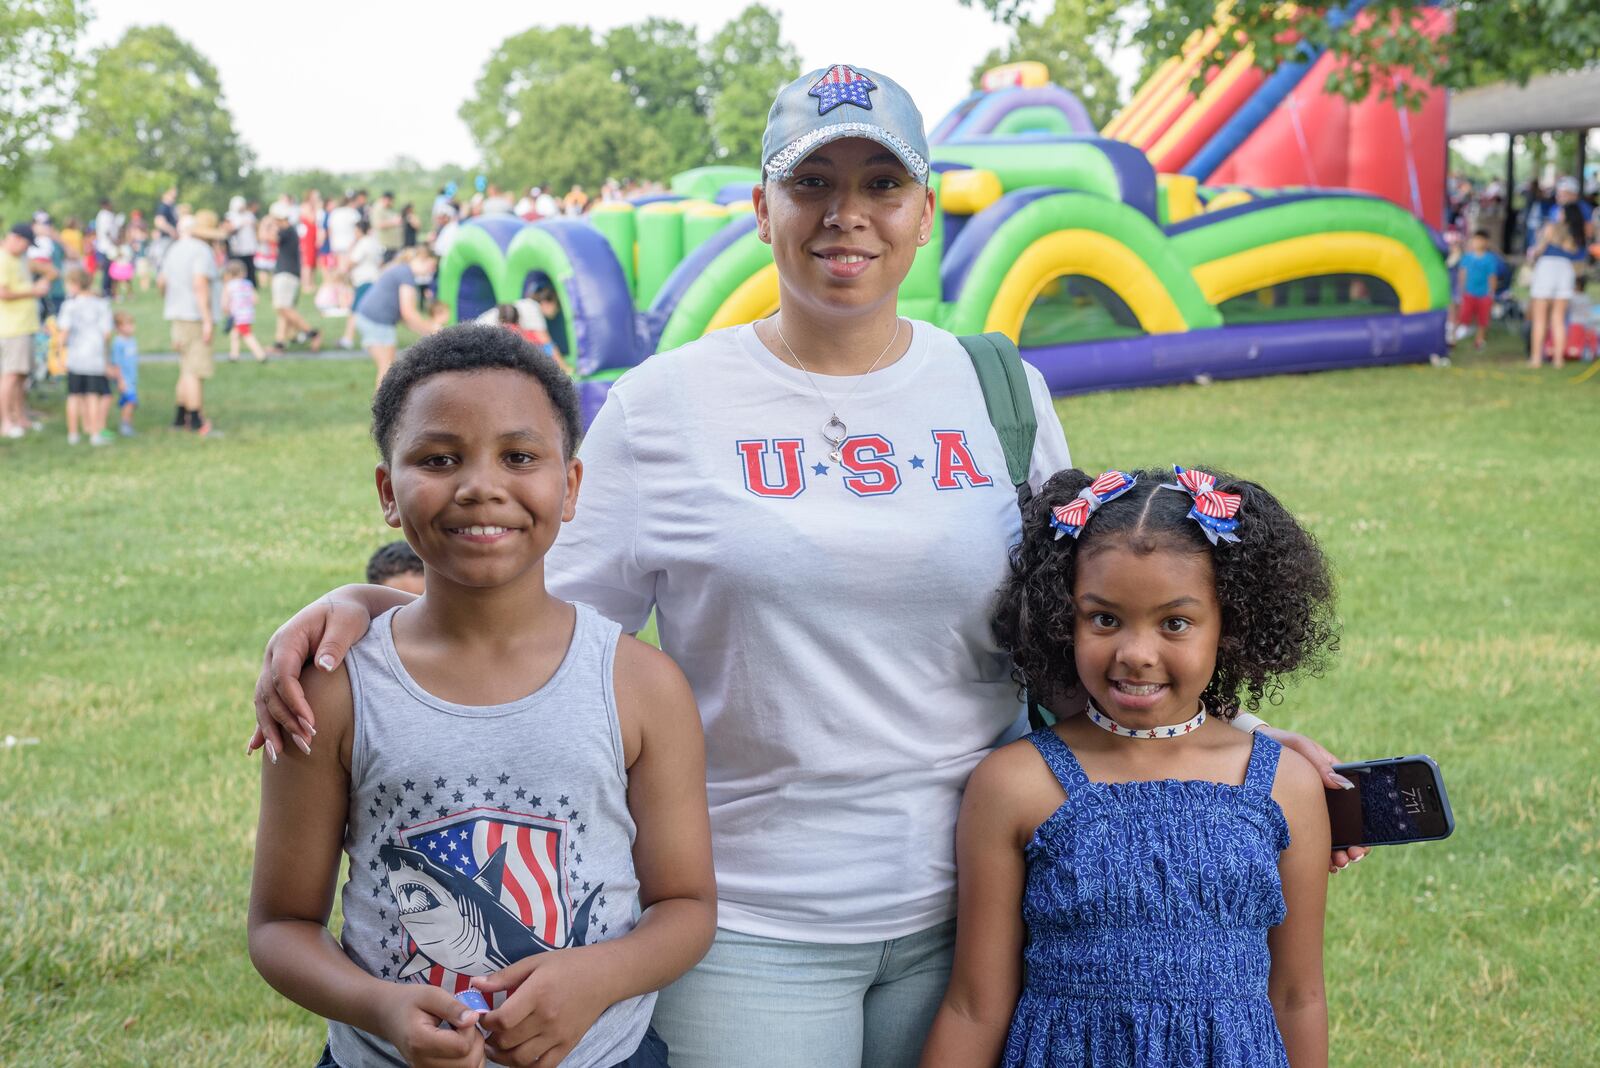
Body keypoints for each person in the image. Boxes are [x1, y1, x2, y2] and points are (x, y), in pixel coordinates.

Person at [249, 64, 1367, 1067]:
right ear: (761, 209)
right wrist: (361, 602)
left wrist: (1236, 747)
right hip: (745, 923)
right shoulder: (664, 409)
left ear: (925, 210)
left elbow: (1086, 629)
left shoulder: (998, 391)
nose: (847, 216)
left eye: (882, 184)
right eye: (811, 184)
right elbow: (516, 616)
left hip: (983, 900)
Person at [247, 324, 715, 1068]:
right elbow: (279, 925)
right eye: (439, 459)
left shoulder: (642, 685)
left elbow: (687, 907)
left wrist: (598, 978)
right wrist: (385, 1007)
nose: (480, 485)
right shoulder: (330, 686)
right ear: (386, 492)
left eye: (520, 457)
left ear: (570, 487)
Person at [921, 465, 1333, 1067]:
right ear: (1065, 619)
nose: (1136, 654)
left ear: (1232, 624)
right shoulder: (1016, 784)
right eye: (1104, 618)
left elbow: (1299, 995)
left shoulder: (1283, 785)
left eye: (1175, 623)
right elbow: (975, 1005)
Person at [160, 210, 226, 435]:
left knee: (186, 366)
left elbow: (162, 282)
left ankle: (180, 416)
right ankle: (197, 420)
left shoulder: (176, 247)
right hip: (195, 316)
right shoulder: (202, 252)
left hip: (178, 315)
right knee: (195, 371)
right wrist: (207, 319)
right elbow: (200, 284)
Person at [351, 249, 440, 385]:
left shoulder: (402, 270)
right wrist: (433, 330)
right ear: (423, 259)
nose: (431, 272)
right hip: (376, 322)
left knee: (388, 368)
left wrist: (426, 330)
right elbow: (408, 313)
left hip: (372, 319)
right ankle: (383, 406)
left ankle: (385, 405)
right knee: (387, 370)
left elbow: (406, 317)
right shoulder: (406, 274)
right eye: (432, 266)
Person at [58, 266, 117, 446]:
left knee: (74, 395)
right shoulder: (102, 304)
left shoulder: (69, 305)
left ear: (75, 284)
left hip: (75, 356)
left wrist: (59, 353)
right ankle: (94, 433)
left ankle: (73, 434)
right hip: (95, 357)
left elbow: (64, 332)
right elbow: (107, 333)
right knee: (93, 395)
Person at [0, 222, 47, 439]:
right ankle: (5, 422)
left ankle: (20, 417)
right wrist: (33, 291)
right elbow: (3, 292)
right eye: (27, 244)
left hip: (24, 325)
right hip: (12, 328)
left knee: (21, 376)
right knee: (10, 376)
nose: (27, 249)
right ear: (17, 239)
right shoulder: (3, 259)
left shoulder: (19, 259)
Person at [1527, 202, 1587, 369]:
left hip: (1546, 268)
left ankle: (1536, 359)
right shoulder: (1577, 234)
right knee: (1558, 319)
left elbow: (1537, 251)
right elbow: (1579, 257)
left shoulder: (1551, 228)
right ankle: (1558, 360)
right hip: (1566, 272)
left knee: (1540, 319)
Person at [268, 203, 320, 354]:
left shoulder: (287, 230)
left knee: (283, 308)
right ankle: (280, 343)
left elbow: (268, 238)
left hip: (286, 273)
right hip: (287, 273)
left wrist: (267, 224)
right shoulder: (290, 231)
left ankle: (311, 332)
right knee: (283, 310)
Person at [340, 221, 384, 350]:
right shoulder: (374, 242)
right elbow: (380, 261)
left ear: (360, 230)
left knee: (355, 311)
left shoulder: (363, 243)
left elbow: (352, 262)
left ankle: (348, 339)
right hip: (373, 278)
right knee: (368, 311)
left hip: (364, 280)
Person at [1455, 230, 1500, 351]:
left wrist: (1491, 293)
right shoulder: (1467, 258)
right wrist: (1462, 290)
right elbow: (1462, 274)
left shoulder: (1490, 259)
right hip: (1469, 293)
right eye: (1475, 240)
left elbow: (1492, 277)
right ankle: (1453, 338)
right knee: (1463, 316)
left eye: (1480, 240)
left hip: (1484, 294)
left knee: (1483, 320)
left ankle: (1479, 341)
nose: (1477, 243)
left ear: (1486, 242)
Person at [224, 260, 268, 362]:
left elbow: (225, 302)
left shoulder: (229, 286)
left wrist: (227, 310)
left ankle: (260, 354)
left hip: (236, 314)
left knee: (247, 334)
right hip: (248, 313)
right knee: (235, 334)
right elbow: (255, 299)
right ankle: (234, 355)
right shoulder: (248, 284)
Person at [112, 309, 139, 435]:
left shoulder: (132, 341)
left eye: (131, 324)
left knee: (129, 403)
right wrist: (120, 380)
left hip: (132, 378)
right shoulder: (118, 343)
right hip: (125, 379)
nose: (131, 327)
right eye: (127, 325)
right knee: (130, 402)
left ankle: (128, 424)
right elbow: (116, 364)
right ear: (118, 327)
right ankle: (125, 425)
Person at [226, 195, 260, 287]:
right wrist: (239, 225)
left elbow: (256, 228)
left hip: (248, 247)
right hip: (236, 248)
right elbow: (228, 229)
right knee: (237, 267)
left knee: (249, 268)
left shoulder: (249, 215)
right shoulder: (230, 216)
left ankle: (251, 285)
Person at [370, 192, 403, 263]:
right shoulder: (378, 209)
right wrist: (393, 222)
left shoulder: (388, 209)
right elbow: (378, 225)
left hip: (392, 245)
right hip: (385, 245)